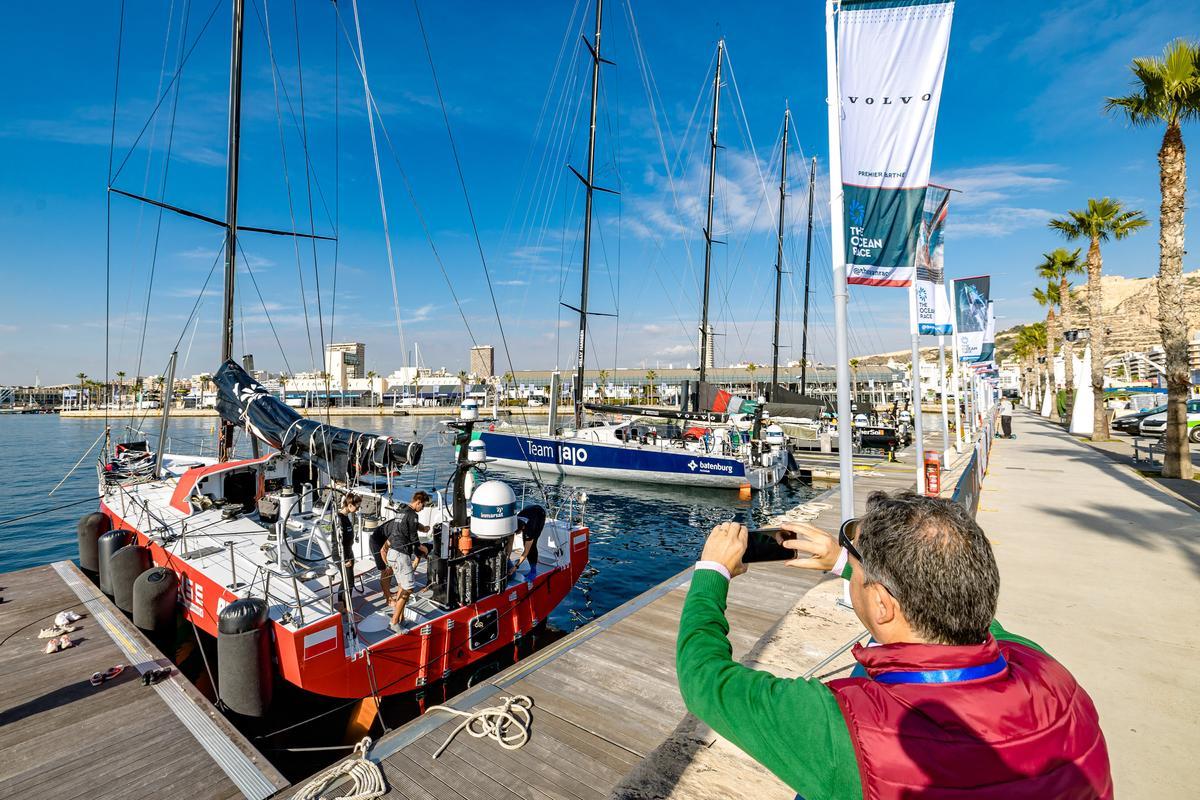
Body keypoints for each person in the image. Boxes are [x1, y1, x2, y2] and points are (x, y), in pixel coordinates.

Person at [677, 491, 1112, 799]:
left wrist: (712, 572)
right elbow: (962, 610)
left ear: (884, 604)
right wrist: (847, 564)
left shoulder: (848, 730)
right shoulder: (1048, 672)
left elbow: (703, 678)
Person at [379, 491, 431, 633]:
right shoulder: (413, 515)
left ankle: (400, 618)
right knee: (409, 588)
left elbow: (403, 530)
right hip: (401, 555)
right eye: (423, 506)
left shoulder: (402, 510)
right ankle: (394, 622)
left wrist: (423, 528)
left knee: (402, 585)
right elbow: (415, 540)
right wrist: (424, 550)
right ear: (419, 502)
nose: (423, 509)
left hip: (392, 552)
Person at [508, 505, 546, 578]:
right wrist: (507, 559)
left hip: (539, 514)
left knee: (532, 547)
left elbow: (526, 552)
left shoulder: (529, 529)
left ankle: (533, 570)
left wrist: (516, 567)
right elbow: (510, 544)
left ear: (523, 528)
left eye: (518, 532)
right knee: (523, 542)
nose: (516, 534)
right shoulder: (513, 524)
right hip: (528, 510)